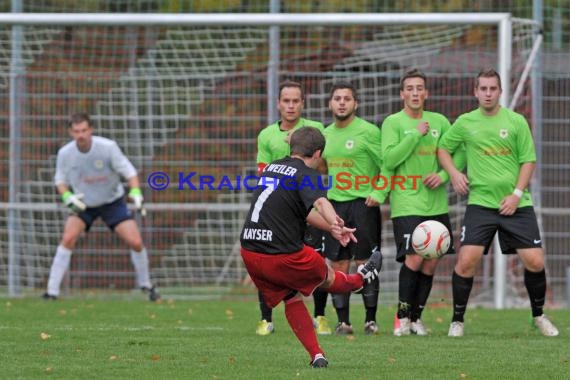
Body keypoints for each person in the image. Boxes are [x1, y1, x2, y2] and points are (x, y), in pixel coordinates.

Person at [240, 126, 382, 368]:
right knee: (327, 278)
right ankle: (359, 282)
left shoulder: (273, 166)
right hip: (282, 255)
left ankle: (317, 355)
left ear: (291, 148)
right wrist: (336, 219)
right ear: (317, 154)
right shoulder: (307, 174)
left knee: (291, 297)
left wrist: (331, 228)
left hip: (251, 252)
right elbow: (320, 202)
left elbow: (302, 212)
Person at [438, 68, 559, 337]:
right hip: (480, 204)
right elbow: (443, 148)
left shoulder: (516, 122)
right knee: (467, 261)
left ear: (500, 91)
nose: (488, 93)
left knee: (535, 261)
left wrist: (516, 194)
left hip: (516, 204)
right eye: (483, 89)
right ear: (476, 91)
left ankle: (538, 316)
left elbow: (528, 160)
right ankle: (457, 321)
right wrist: (455, 174)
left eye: (493, 89)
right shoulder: (465, 122)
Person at [43, 112, 160, 302]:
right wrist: (67, 197)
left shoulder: (108, 148)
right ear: (71, 133)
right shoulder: (65, 153)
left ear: (91, 130)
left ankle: (147, 285)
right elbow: (60, 180)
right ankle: (51, 292)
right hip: (84, 204)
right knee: (68, 238)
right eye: (76, 131)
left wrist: (136, 193)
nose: (81, 135)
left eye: (84, 130)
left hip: (112, 202)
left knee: (136, 242)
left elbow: (129, 172)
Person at [382, 69, 465, 336]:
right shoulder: (393, 123)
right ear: (402, 94)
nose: (415, 93)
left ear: (426, 93)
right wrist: (415, 135)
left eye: (420, 88)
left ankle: (417, 318)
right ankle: (402, 318)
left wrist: (443, 175)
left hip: (436, 205)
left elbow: (459, 153)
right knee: (415, 258)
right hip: (406, 202)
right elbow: (391, 160)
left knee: (431, 262)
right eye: (410, 88)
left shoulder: (440, 121)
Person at [255, 80, 331, 336]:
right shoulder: (266, 135)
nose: (290, 105)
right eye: (286, 100)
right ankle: (266, 319)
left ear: (302, 103)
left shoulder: (315, 130)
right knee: (268, 258)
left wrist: (299, 150)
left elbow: (323, 168)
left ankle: (320, 317)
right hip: (282, 212)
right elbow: (264, 175)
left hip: (310, 205)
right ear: (278, 103)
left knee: (318, 260)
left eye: (295, 100)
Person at [321, 81, 383, 335]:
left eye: (347, 98)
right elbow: (323, 168)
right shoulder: (325, 134)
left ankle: (370, 320)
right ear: (330, 103)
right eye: (337, 98)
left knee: (364, 262)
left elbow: (386, 165)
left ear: (355, 104)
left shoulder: (368, 131)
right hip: (335, 206)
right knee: (338, 264)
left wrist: (379, 191)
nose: (342, 102)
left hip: (362, 205)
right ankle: (343, 322)